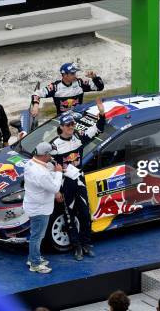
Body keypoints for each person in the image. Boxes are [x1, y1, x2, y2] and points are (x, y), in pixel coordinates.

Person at [52, 98, 106, 261]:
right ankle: (76, 247)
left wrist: (101, 113)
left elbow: (98, 129)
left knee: (84, 213)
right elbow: (50, 169)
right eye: (68, 125)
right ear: (61, 127)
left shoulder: (79, 137)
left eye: (72, 124)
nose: (71, 127)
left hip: (80, 180)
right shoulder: (54, 146)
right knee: (69, 216)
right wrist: (56, 190)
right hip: (65, 183)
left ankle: (86, 244)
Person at [22, 142, 63, 274]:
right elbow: (55, 188)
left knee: (36, 235)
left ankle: (33, 257)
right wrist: (58, 173)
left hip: (32, 205)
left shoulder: (30, 164)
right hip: (40, 209)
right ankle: (35, 263)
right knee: (37, 237)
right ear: (44, 155)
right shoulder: (42, 173)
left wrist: (50, 169)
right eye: (50, 155)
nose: (51, 157)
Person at [30, 62, 104, 116]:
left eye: (75, 73)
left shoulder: (80, 83)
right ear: (65, 75)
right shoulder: (55, 87)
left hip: (79, 116)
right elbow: (36, 94)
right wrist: (36, 106)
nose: (75, 75)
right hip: (62, 120)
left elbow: (99, 87)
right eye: (72, 74)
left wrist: (94, 77)